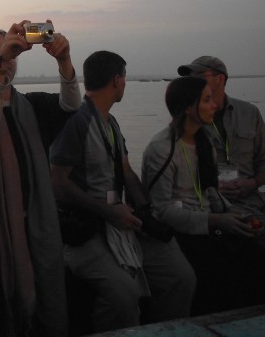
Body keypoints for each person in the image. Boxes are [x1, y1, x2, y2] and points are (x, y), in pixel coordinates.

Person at [49, 51, 195, 333]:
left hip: (121, 223)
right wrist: (108, 212)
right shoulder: (76, 121)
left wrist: (148, 213)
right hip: (87, 231)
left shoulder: (111, 123)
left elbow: (127, 172)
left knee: (180, 277)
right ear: (117, 80)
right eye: (124, 78)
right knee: (123, 295)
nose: (125, 84)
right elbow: (56, 182)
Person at [0, 21, 80, 336]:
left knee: (48, 307)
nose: (7, 57)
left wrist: (64, 61)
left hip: (38, 225)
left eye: (11, 52)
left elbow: (71, 105)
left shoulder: (33, 105)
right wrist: (1, 66)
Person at [141, 76, 265, 315]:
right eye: (207, 100)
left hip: (208, 224)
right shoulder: (161, 148)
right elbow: (162, 210)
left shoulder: (204, 141)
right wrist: (215, 220)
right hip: (180, 231)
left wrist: (234, 214)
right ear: (189, 107)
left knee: (255, 257)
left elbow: (210, 191)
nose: (214, 105)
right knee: (217, 269)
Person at [177, 56, 265, 223]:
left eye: (199, 76)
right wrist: (213, 187)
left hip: (249, 201)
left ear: (220, 78)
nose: (193, 82)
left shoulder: (249, 113)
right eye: (189, 78)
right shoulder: (186, 117)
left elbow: (263, 159)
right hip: (205, 205)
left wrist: (253, 183)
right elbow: (176, 170)